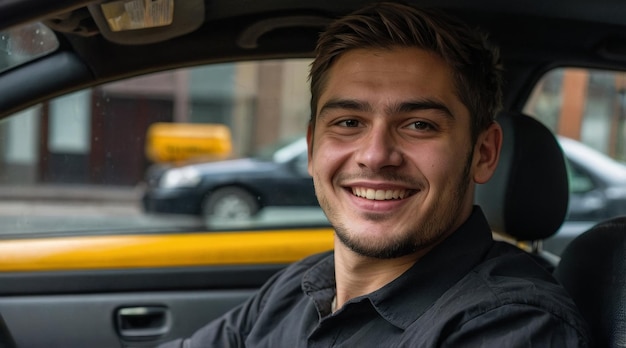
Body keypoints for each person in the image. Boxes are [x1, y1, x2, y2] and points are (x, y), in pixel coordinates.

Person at [159, 2, 591, 347]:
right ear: (312, 148)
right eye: (348, 122)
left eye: (419, 124)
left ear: (482, 153)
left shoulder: (512, 325)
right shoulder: (298, 287)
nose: (375, 155)